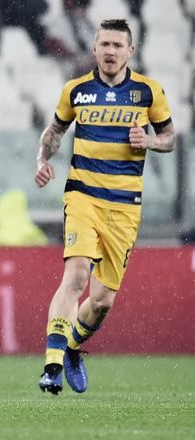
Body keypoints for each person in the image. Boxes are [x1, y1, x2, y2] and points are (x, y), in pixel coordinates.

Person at [34, 19, 176, 395]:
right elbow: (54, 132)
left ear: (131, 51)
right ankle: (51, 366)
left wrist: (150, 141)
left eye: (118, 45)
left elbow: (170, 138)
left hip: (125, 205)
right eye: (105, 44)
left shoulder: (148, 92)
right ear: (94, 50)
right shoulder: (76, 91)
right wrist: (41, 161)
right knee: (76, 276)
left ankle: (73, 348)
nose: (110, 51)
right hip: (82, 195)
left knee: (100, 302)